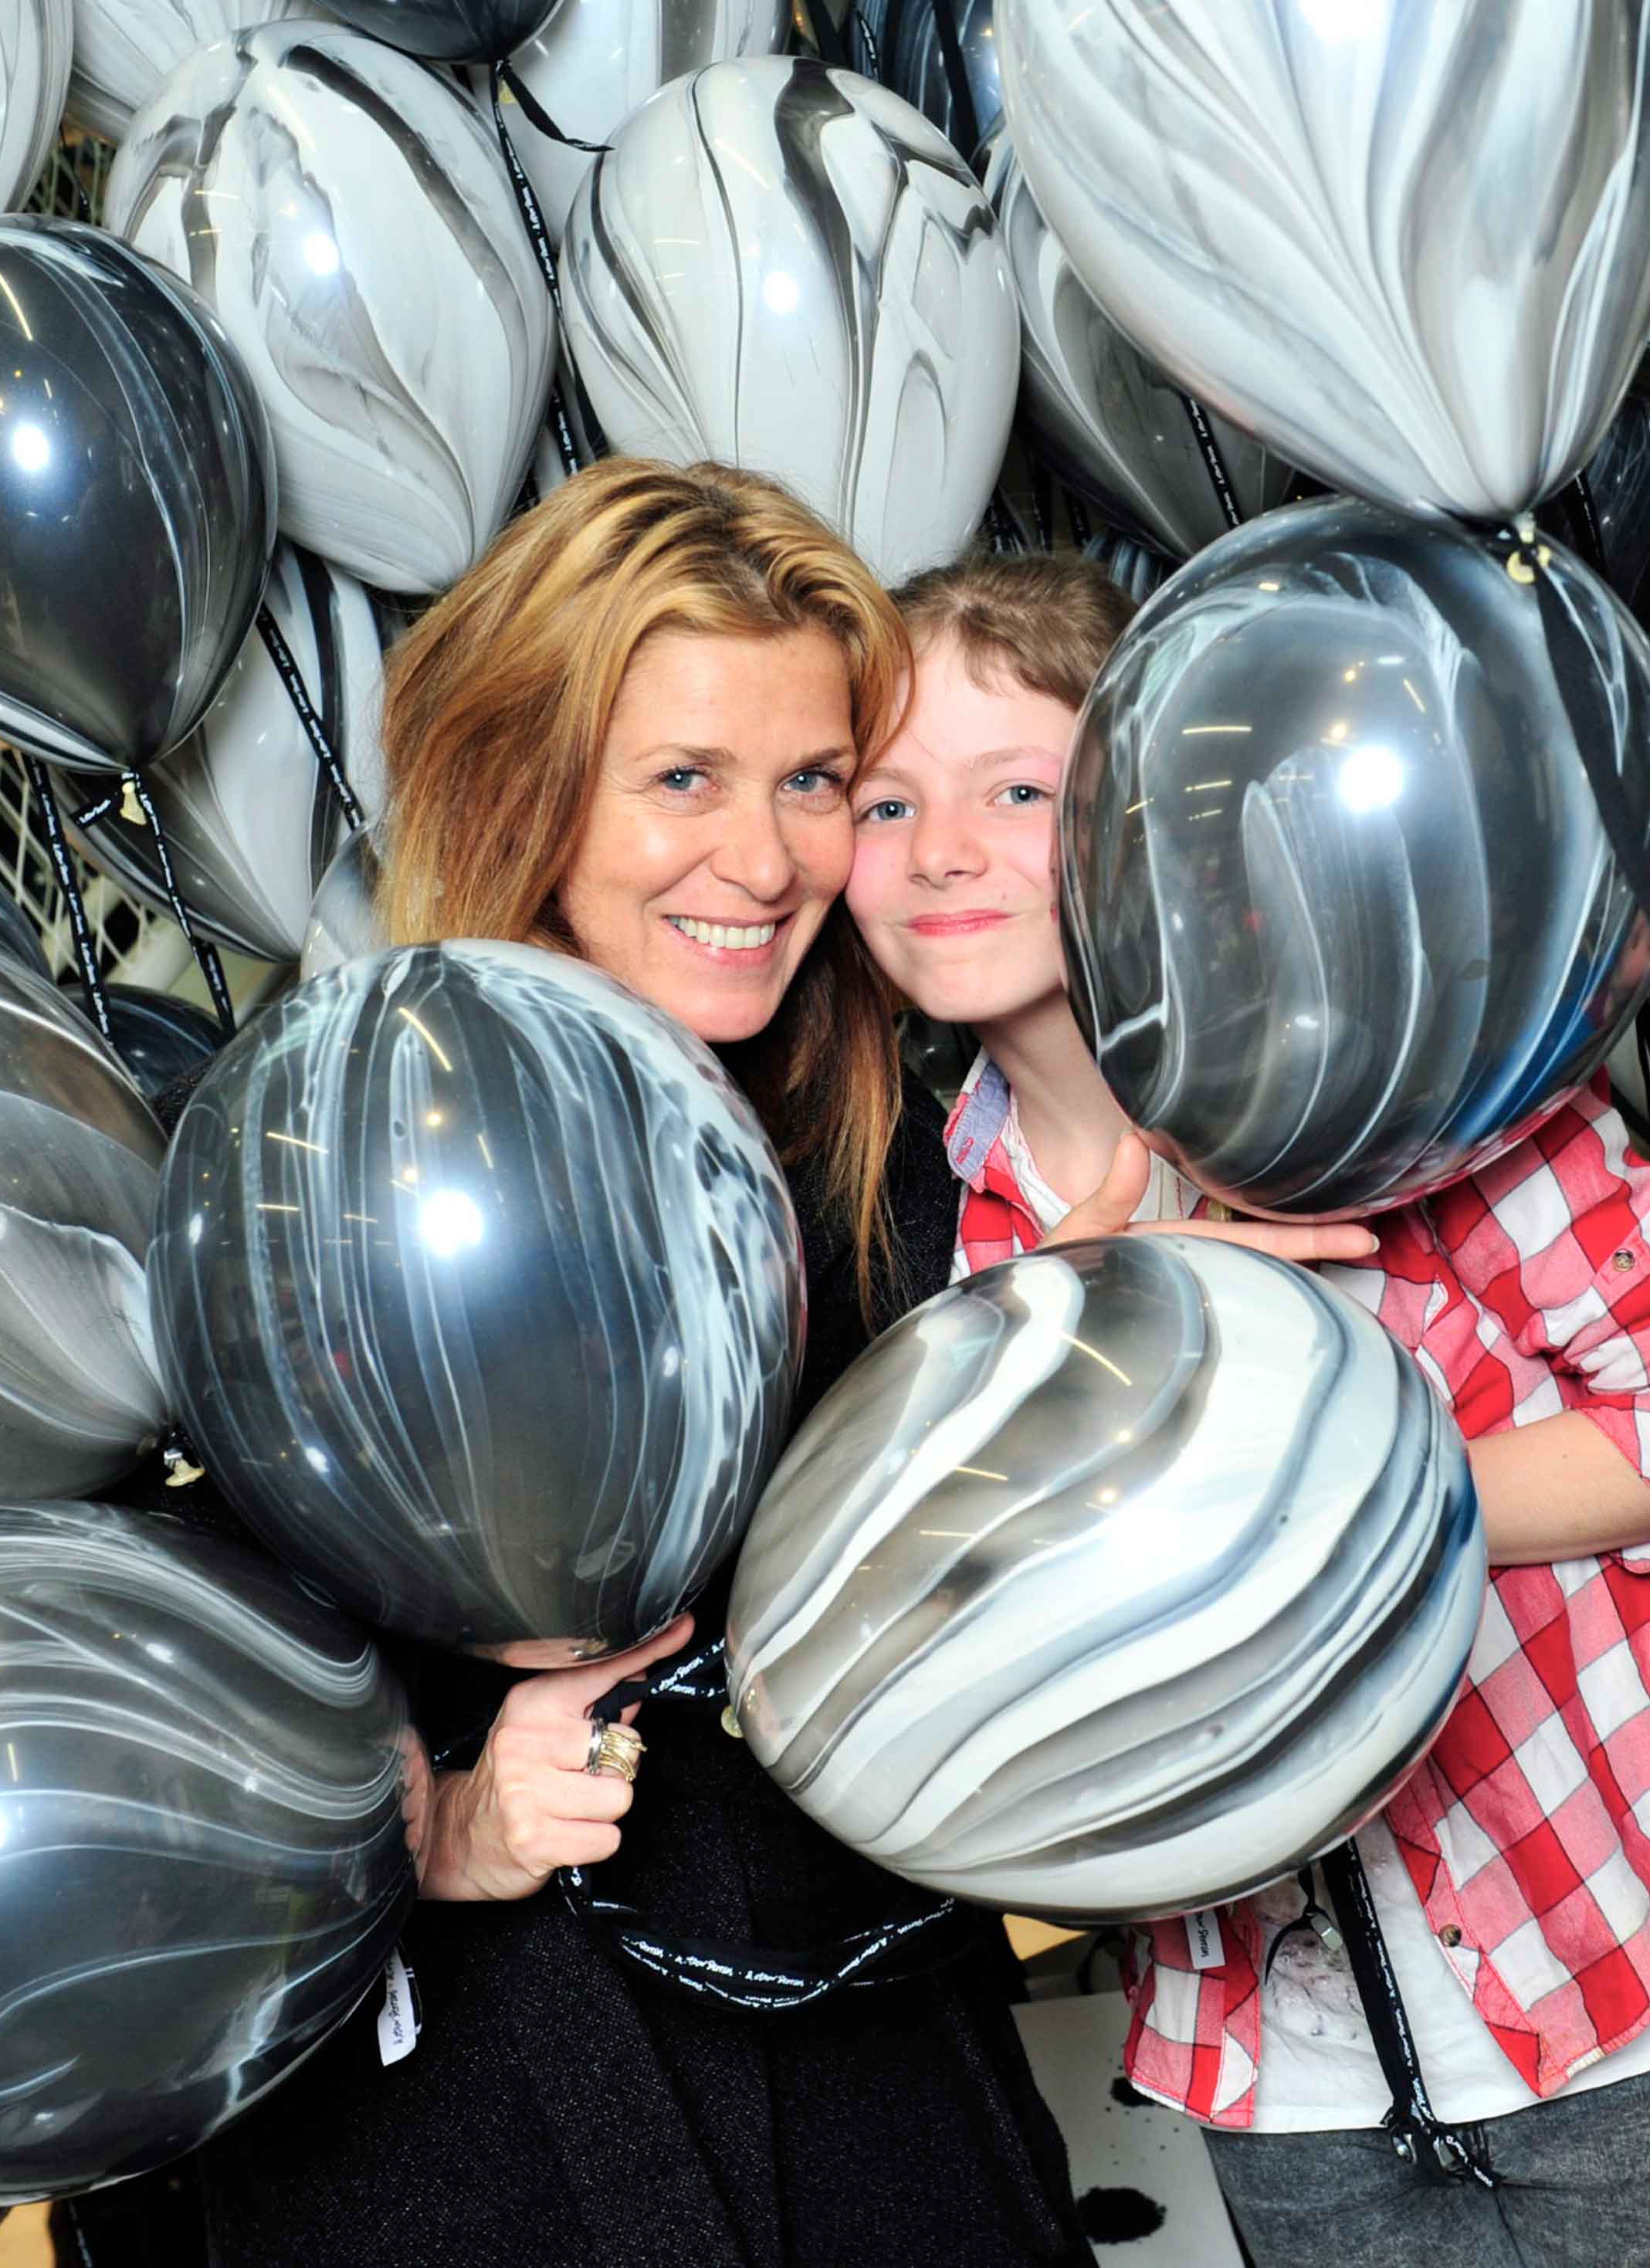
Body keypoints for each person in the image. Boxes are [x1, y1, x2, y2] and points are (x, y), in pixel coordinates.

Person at [154, 466, 1092, 2268]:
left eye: (810, 779)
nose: (763, 858)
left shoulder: (888, 1143)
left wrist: (1126, 1325)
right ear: (530, 786)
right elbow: (188, 1705)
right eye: (682, 778)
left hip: (879, 2076)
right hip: (494, 2119)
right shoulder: (315, 1160)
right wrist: (430, 1825)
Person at [845, 546, 1650, 2266]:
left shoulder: (1417, 1074)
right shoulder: (935, 1239)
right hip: (1282, 2086)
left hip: (1608, 1984)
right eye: (882, 802)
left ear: (1148, 812)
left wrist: (1328, 1519)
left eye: (1013, 790)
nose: (939, 851)